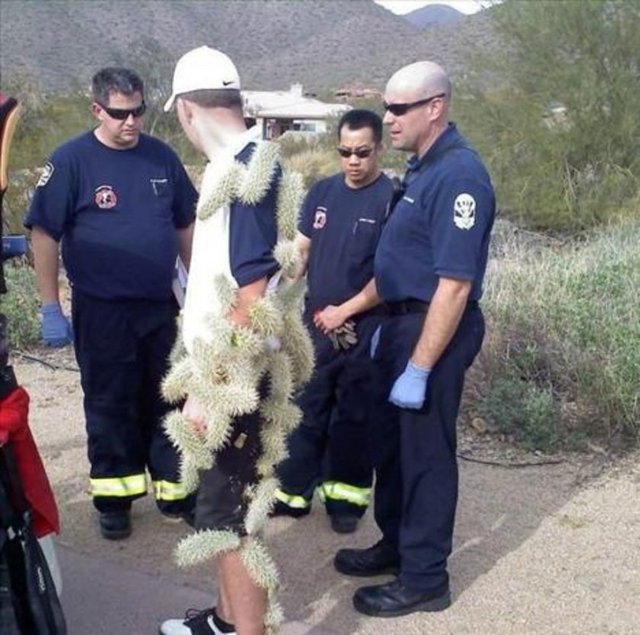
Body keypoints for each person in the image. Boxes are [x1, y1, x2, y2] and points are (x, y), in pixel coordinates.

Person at [158, 46, 312, 635]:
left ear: (188, 112)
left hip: (235, 379)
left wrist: (213, 390)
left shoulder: (244, 173)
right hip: (233, 368)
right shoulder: (253, 165)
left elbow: (250, 298)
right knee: (220, 510)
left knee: (233, 522)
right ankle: (226, 623)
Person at [333, 61, 495, 617]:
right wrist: (351, 309)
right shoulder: (422, 170)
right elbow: (400, 265)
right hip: (399, 324)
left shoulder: (460, 176)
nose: (388, 119)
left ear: (436, 108)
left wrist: (421, 367)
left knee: (425, 455)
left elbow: (453, 285)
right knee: (393, 449)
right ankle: (397, 545)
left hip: (434, 327)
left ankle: (425, 576)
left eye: (399, 108)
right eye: (387, 106)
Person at [24, 67, 198, 540]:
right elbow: (44, 233)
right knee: (109, 403)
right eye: (120, 113)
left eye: (138, 111)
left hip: (159, 306)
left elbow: (185, 225)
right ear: (97, 109)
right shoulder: (71, 161)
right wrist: (49, 305)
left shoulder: (161, 159)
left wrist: (198, 288)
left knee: (168, 397)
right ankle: (115, 498)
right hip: (102, 310)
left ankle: (174, 489)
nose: (131, 122)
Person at [273, 109, 394, 534]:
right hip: (315, 325)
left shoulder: (391, 199)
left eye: (362, 152)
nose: (353, 161)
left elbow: (391, 275)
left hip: (363, 326)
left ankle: (345, 499)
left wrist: (345, 311)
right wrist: (281, 288)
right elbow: (302, 252)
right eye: (345, 151)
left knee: (354, 415)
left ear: (379, 148)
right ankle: (293, 492)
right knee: (307, 406)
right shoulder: (322, 192)